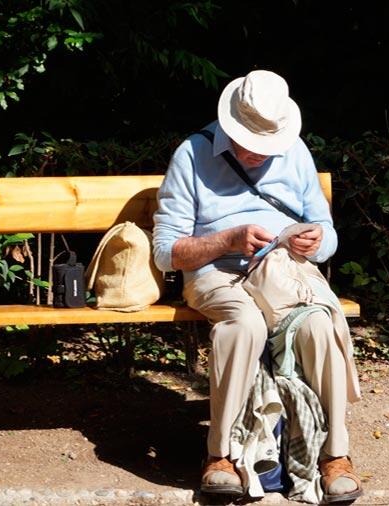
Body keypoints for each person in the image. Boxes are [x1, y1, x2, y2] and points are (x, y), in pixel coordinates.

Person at [152, 70, 363, 503]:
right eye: (250, 142)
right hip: (218, 275)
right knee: (244, 323)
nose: (258, 153)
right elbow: (165, 252)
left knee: (319, 325)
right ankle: (221, 456)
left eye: (266, 143)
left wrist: (317, 240)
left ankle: (333, 456)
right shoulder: (192, 155)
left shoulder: (294, 152)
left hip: (283, 273)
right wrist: (225, 240)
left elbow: (327, 231)